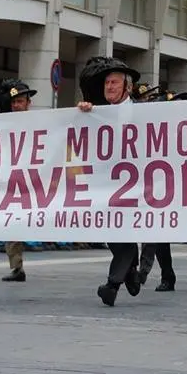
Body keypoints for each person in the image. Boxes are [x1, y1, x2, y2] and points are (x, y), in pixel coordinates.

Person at [77, 56, 143, 306]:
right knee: (111, 232)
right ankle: (131, 272)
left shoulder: (145, 112)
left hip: (135, 184)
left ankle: (112, 285)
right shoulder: (97, 111)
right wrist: (85, 112)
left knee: (122, 230)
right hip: (106, 183)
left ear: (128, 87)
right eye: (107, 83)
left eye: (115, 83)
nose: (110, 88)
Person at [136, 89, 187, 292]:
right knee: (156, 233)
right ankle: (160, 274)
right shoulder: (154, 128)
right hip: (160, 189)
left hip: (185, 189)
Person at [0, 78, 38, 283]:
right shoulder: (3, 123)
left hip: (35, 178)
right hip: (12, 180)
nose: (17, 106)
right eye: (14, 102)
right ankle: (17, 267)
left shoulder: (41, 122)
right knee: (13, 221)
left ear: (28, 103)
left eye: (21, 102)